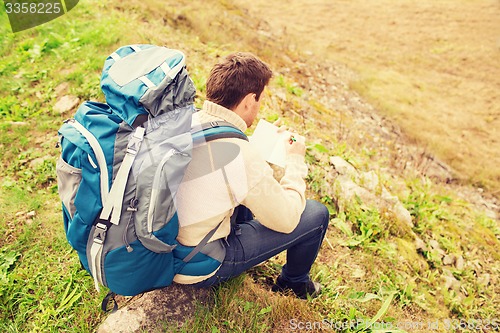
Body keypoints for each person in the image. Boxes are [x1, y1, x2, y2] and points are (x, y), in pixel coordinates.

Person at [174, 52, 330, 299]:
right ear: (248, 100)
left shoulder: (186, 120)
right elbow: (287, 220)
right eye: (259, 101)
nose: (258, 108)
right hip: (196, 265)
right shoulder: (242, 157)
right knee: (316, 214)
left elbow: (217, 164)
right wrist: (296, 162)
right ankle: (294, 283)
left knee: (246, 198)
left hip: (163, 248)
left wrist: (255, 148)